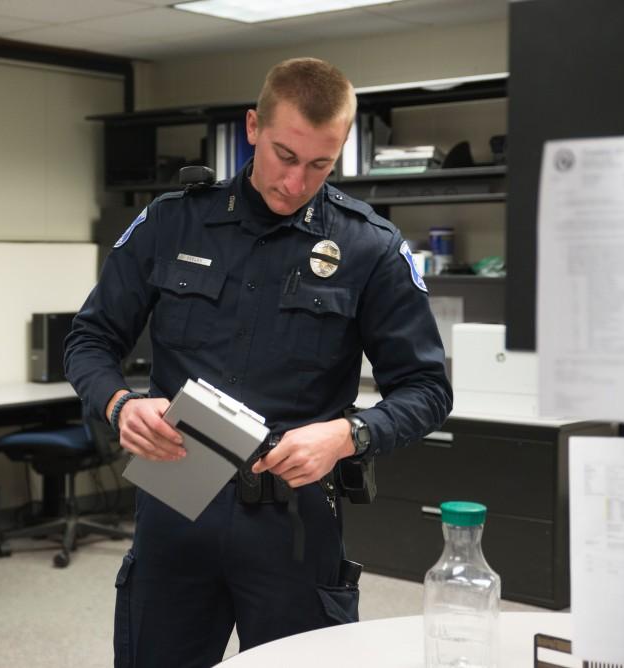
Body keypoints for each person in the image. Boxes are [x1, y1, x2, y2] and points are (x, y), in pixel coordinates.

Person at [64, 57, 452, 667]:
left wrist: (348, 435)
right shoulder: (173, 221)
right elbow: (89, 340)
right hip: (176, 497)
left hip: (293, 521)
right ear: (252, 127)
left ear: (342, 149)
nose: (296, 182)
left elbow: (427, 389)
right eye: (285, 156)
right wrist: (120, 404)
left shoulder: (369, 247)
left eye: (320, 164)